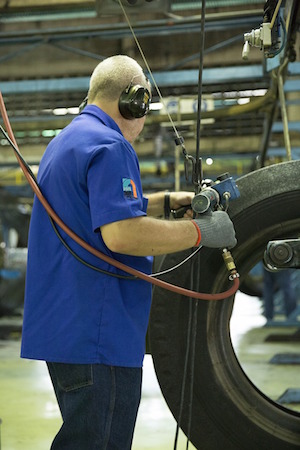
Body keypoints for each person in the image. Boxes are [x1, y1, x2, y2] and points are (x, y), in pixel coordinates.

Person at [21, 55, 237, 449]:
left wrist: (167, 201)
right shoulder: (110, 144)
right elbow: (121, 235)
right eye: (145, 106)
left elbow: (96, 211)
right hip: (100, 332)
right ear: (133, 101)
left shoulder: (65, 142)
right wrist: (199, 231)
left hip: (69, 331)